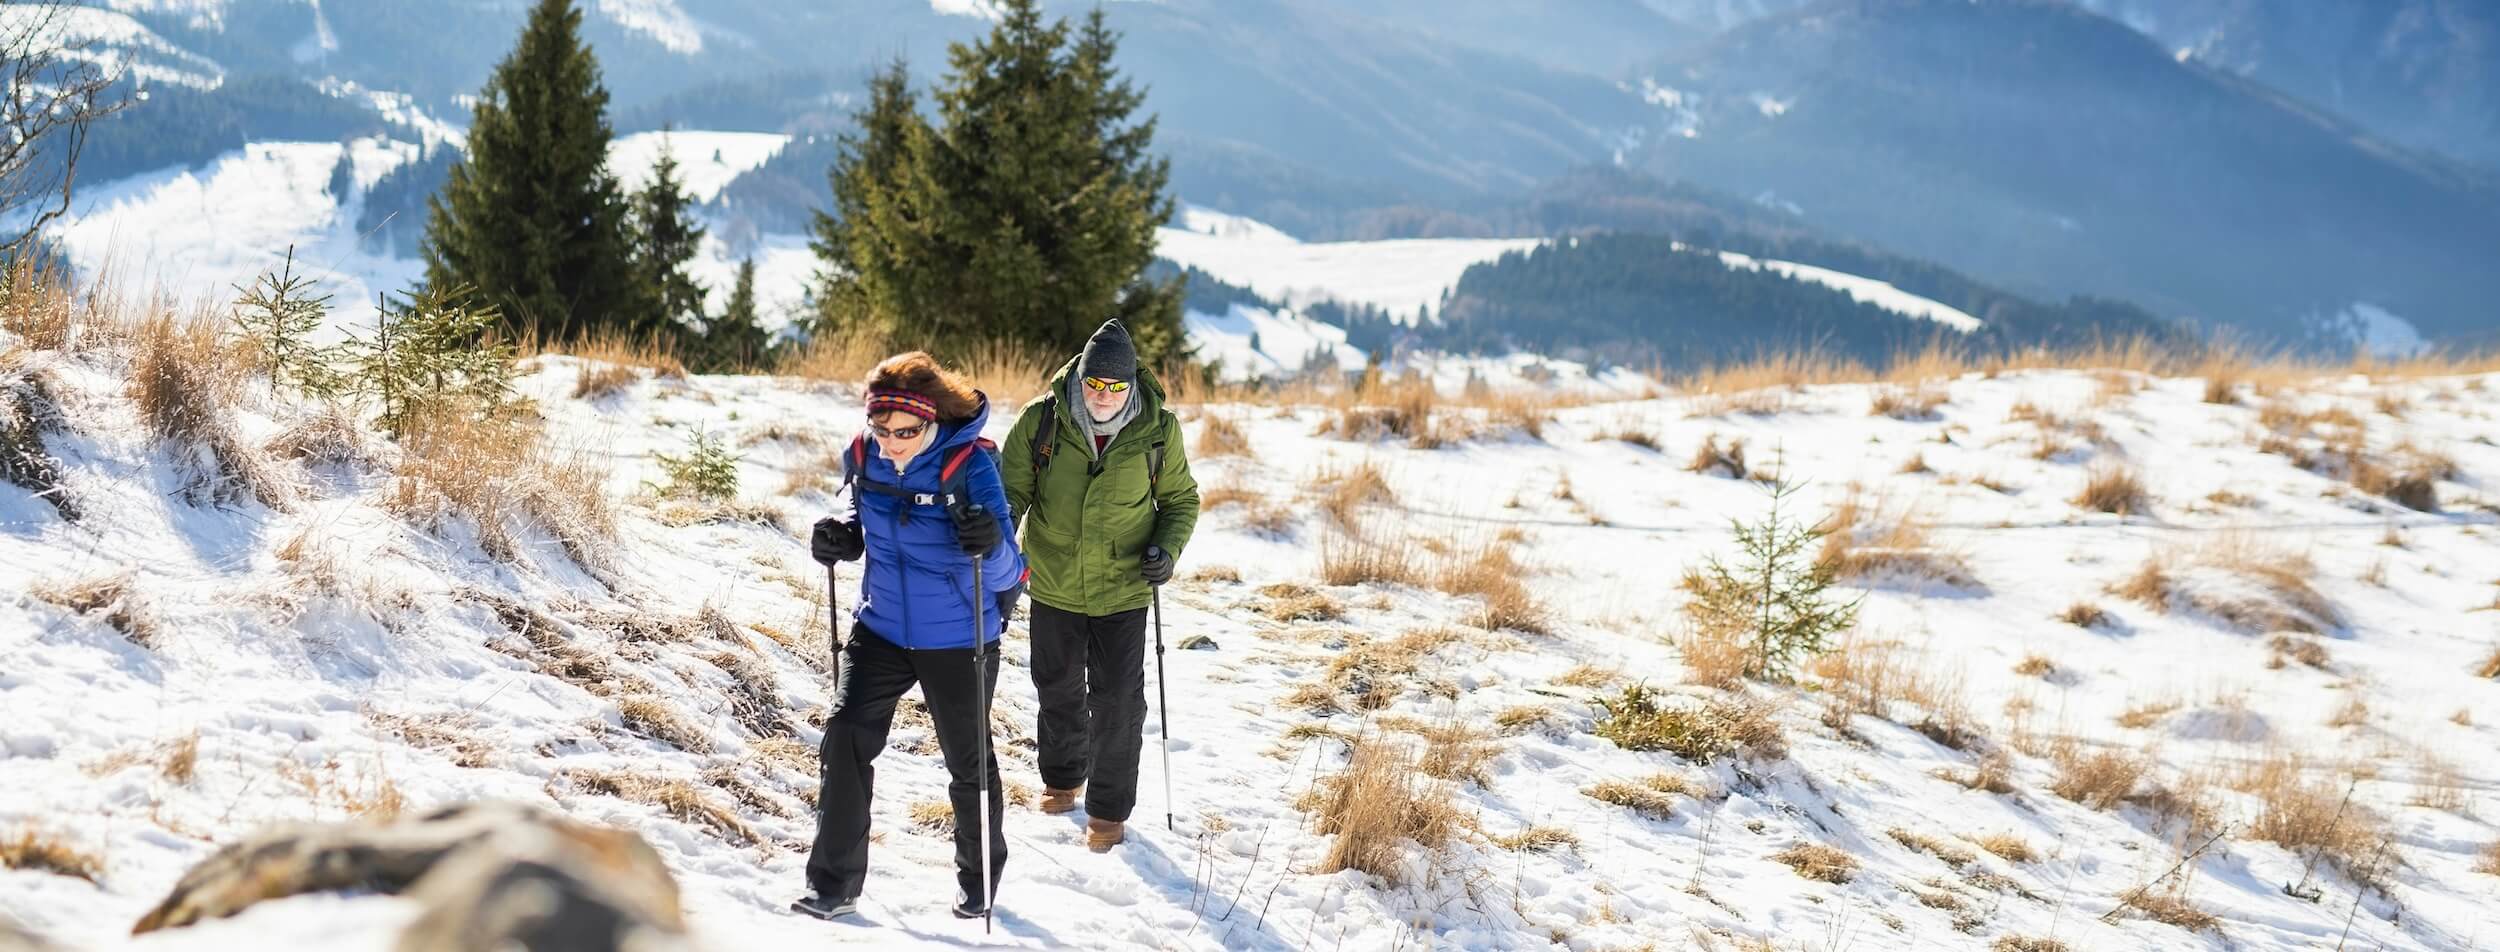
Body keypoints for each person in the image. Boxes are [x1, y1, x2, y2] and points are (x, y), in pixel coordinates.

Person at [792, 352, 1024, 922]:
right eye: (882, 429)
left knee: (967, 760)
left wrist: (989, 541)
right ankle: (833, 885)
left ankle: (980, 880)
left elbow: (1009, 572)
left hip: (958, 633)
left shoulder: (969, 467)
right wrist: (840, 533)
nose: (892, 442)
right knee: (844, 736)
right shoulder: (864, 453)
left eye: (906, 432)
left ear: (932, 420)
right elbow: (854, 498)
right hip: (882, 627)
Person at [998, 319, 1200, 852]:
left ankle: (1108, 812)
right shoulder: (1042, 422)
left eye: (1114, 387)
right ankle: (1063, 781)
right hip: (1054, 580)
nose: (1102, 396)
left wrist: (1166, 550)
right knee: (1057, 687)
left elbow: (1180, 501)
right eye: (1094, 385)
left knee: (1118, 702)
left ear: (1131, 383)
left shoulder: (1158, 430)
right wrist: (995, 551)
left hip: (1124, 588)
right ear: (1080, 378)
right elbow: (1009, 495)